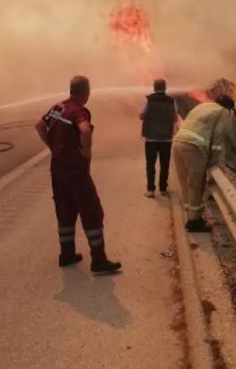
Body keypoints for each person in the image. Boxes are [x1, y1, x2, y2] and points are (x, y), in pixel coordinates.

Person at [35, 75, 122, 275]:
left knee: (65, 210)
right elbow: (84, 130)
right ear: (86, 92)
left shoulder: (58, 107)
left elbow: (39, 126)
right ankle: (99, 260)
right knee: (91, 210)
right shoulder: (79, 111)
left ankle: (66, 254)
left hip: (57, 168)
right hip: (75, 170)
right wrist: (86, 152)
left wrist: (51, 146)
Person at [172, 94, 236, 232]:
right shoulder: (224, 112)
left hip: (178, 143)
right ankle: (195, 222)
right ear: (229, 107)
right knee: (196, 184)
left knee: (186, 183)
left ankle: (191, 217)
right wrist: (214, 162)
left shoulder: (202, 106)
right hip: (194, 147)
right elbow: (218, 139)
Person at [140, 78, 179, 198]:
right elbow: (176, 118)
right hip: (166, 138)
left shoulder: (149, 100)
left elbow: (141, 115)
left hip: (151, 138)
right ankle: (163, 189)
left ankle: (150, 190)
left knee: (150, 164)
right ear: (165, 87)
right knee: (165, 164)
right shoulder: (172, 101)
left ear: (154, 87)